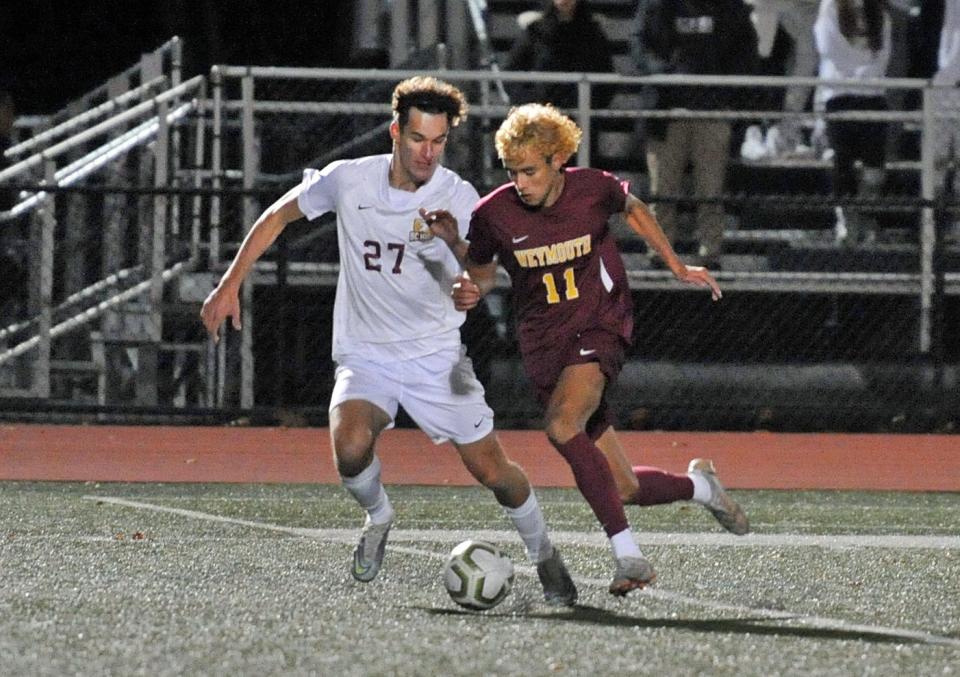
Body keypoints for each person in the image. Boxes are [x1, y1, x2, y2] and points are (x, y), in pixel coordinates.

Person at [199, 77, 578, 606]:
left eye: (439, 141)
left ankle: (544, 554)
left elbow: (484, 269)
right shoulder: (349, 180)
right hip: (367, 355)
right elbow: (278, 215)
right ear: (395, 132)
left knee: (494, 471)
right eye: (419, 138)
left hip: (437, 359)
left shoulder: (460, 196)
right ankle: (379, 517)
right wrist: (230, 282)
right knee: (350, 448)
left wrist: (474, 288)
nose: (428, 152)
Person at [424, 103, 749, 597]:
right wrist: (463, 270)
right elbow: (485, 273)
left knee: (561, 426)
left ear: (558, 159)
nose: (521, 183)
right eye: (513, 173)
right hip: (543, 345)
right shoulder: (493, 213)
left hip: (599, 325)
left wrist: (677, 265)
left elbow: (635, 209)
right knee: (622, 487)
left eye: (530, 171)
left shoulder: (592, 188)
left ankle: (629, 557)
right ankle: (701, 486)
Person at [636, 0, 759, 269]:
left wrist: (725, 93)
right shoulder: (656, 5)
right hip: (666, 111)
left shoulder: (730, 7)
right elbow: (641, 46)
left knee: (711, 190)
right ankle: (659, 253)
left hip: (712, 110)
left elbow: (745, 51)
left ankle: (710, 253)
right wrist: (663, 74)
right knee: (662, 189)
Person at [814, 0, 892, 245]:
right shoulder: (831, 7)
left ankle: (867, 215)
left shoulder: (879, 12)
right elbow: (828, 46)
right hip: (839, 95)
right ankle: (846, 220)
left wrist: (865, 74)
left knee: (874, 164)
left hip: (872, 95)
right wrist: (856, 71)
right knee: (842, 160)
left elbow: (883, 52)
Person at [504, 0, 616, 110]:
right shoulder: (535, 31)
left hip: (580, 114)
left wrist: (592, 103)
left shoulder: (593, 33)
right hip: (541, 115)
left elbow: (606, 74)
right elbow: (512, 72)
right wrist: (531, 103)